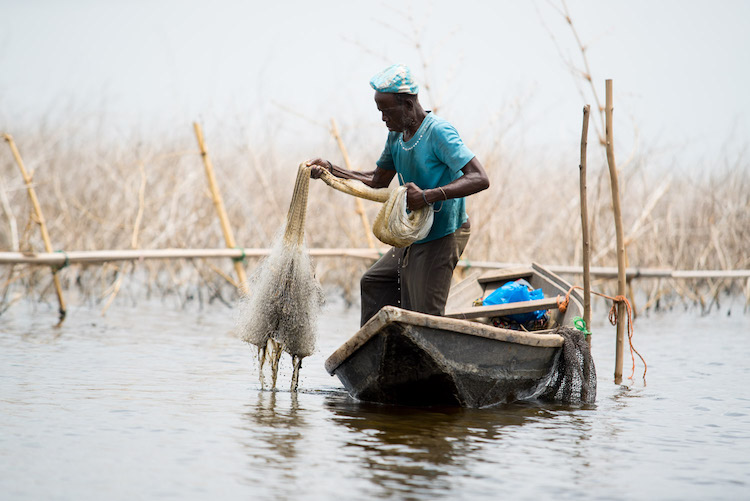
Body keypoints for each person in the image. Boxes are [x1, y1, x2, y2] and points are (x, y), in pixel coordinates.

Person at [308, 64, 489, 326]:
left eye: (386, 110)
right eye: (379, 111)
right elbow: (377, 179)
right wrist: (331, 169)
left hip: (442, 234)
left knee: (424, 316)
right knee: (374, 281)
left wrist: (428, 196)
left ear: (406, 104)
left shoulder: (438, 132)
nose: (382, 118)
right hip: (414, 232)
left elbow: (479, 178)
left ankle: (420, 353)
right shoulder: (396, 135)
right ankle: (376, 351)